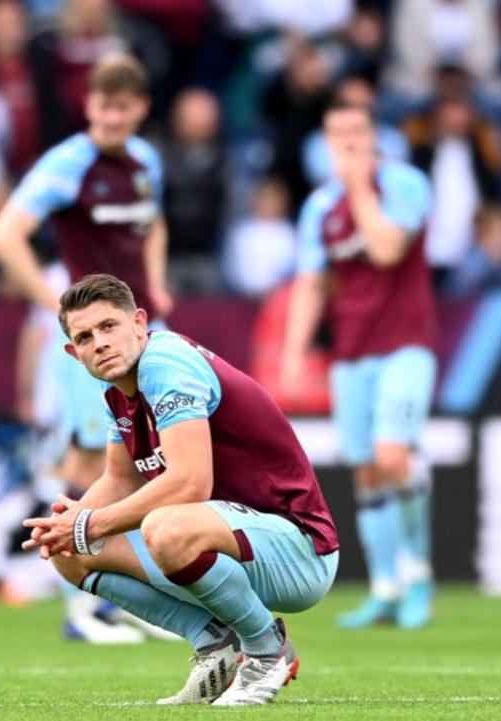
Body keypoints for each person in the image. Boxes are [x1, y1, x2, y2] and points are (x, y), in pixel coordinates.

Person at [21, 273, 339, 706]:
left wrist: (88, 524)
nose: (99, 343)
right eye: (85, 337)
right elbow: (120, 478)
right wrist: (67, 527)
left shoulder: (165, 365)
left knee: (166, 526)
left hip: (299, 551)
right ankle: (216, 644)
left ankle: (267, 650)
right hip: (228, 540)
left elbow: (191, 483)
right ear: (73, 353)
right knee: (70, 552)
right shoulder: (114, 386)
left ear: (138, 322)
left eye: (108, 326)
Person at [0, 53, 172, 641]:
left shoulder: (146, 163)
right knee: (96, 464)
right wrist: (58, 309)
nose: (111, 118)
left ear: (140, 109)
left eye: (122, 108)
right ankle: (83, 607)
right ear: (88, 105)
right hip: (98, 346)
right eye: (102, 106)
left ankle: (118, 599)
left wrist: (158, 279)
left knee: (145, 464)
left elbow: (154, 222)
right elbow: (4, 236)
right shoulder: (68, 164)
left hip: (145, 333)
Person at [281, 99, 438, 629]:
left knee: (394, 457)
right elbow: (311, 282)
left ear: (374, 136)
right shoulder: (319, 208)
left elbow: (389, 247)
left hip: (405, 344)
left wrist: (360, 187)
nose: (349, 143)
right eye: (338, 134)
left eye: (358, 132)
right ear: (325, 143)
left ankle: (418, 575)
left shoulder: (404, 185)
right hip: (351, 352)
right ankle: (386, 588)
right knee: (368, 472)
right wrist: (292, 352)